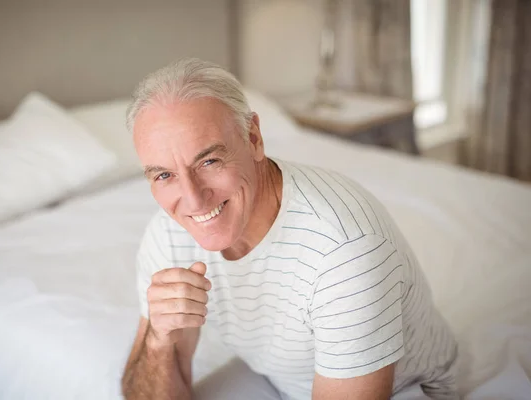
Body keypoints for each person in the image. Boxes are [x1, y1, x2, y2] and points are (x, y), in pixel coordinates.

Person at [121, 58, 458, 400]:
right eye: (165, 175)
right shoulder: (168, 233)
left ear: (253, 138)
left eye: (209, 161)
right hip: (279, 378)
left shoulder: (346, 251)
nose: (193, 201)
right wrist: (159, 339)